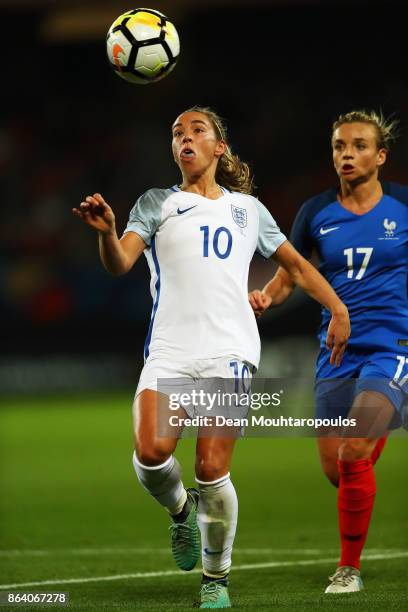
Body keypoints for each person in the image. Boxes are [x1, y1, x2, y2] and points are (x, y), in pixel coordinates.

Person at [73, 106, 350, 608]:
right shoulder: (156, 202)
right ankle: (181, 514)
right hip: (171, 349)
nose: (185, 137)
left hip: (231, 350)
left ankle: (215, 579)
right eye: (177, 132)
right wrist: (106, 232)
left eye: (196, 130)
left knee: (210, 467)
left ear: (218, 147)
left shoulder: (249, 210)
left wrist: (337, 308)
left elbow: (297, 267)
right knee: (152, 453)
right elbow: (121, 263)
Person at [249, 110, 408, 594]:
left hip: (393, 345)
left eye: (359, 146)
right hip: (336, 353)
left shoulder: (403, 206)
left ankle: (348, 569)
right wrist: (265, 298)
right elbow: (290, 274)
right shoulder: (315, 212)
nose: (347, 154)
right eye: (340, 146)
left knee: (355, 448)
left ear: (380, 156)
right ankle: (369, 444)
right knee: (338, 470)